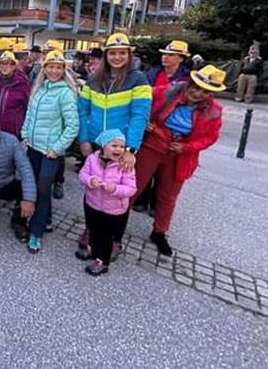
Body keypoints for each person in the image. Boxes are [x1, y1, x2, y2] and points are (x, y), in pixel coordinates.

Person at [130, 65, 225, 256]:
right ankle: (115, 223)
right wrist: (144, 122)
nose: (198, 93)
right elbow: (141, 95)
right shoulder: (168, 91)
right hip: (152, 147)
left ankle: (159, 232)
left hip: (180, 154)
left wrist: (187, 147)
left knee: (168, 196)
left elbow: (210, 137)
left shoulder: (213, 111)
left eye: (205, 91)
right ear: (189, 84)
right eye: (195, 88)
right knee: (133, 187)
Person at [77, 33, 151, 257]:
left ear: (129, 55)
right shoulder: (93, 79)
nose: (117, 57)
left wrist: (131, 149)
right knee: (93, 187)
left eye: (122, 53)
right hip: (97, 145)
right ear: (106, 54)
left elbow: (140, 115)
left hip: (121, 148)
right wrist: (84, 139)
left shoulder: (139, 80)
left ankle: (114, 237)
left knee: (118, 197)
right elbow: (83, 111)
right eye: (112, 52)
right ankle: (91, 229)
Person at [20, 50, 80, 253]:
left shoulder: (65, 93)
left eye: (58, 67)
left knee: (43, 190)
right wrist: (25, 133)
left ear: (64, 70)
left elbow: (72, 126)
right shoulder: (39, 89)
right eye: (50, 67)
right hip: (33, 148)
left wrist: (57, 148)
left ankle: (36, 232)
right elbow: (29, 114)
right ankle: (46, 219)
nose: (54, 71)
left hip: (50, 152)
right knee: (34, 187)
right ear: (44, 69)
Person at [134, 40, 191, 215]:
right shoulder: (153, 72)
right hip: (149, 124)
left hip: (168, 130)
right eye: (164, 54)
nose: (165, 57)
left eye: (171, 55)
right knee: (144, 166)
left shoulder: (187, 78)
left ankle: (154, 203)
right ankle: (141, 199)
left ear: (181, 58)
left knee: (164, 171)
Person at [77, 129, 137, 276]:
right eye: (114, 145)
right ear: (103, 146)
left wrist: (115, 189)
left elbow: (131, 189)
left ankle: (102, 261)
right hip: (92, 203)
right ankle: (92, 249)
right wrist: (90, 180)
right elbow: (82, 175)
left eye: (122, 146)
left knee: (105, 236)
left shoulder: (125, 165)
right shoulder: (92, 159)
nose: (119, 149)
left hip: (114, 209)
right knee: (93, 228)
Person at [0, 51, 31, 138]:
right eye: (2, 63)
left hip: (12, 130)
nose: (5, 67)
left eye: (8, 64)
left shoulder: (22, 83)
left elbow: (28, 107)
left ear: (14, 66)